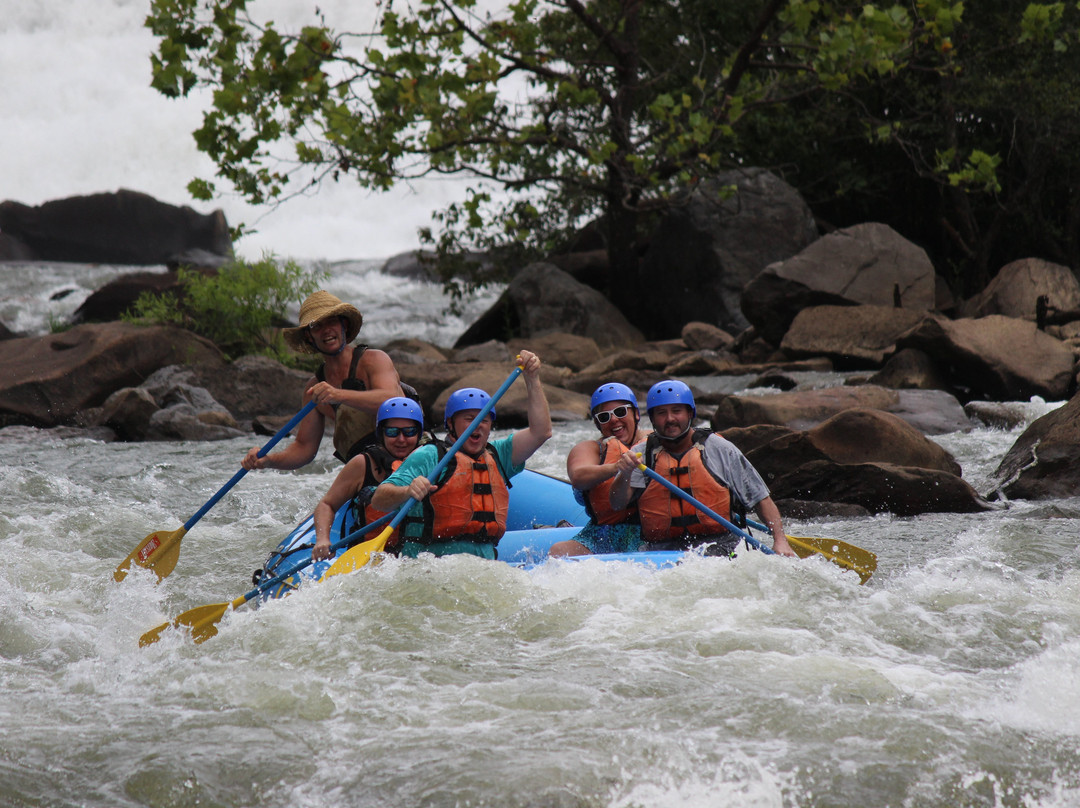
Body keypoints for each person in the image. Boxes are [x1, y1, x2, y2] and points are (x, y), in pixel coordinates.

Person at [369, 350, 552, 559]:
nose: (478, 425)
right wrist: (407, 491)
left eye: (484, 420)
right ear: (449, 424)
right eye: (468, 418)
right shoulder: (430, 455)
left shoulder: (499, 454)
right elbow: (379, 499)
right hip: (430, 562)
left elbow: (541, 432)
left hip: (482, 562)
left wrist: (532, 378)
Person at [609, 379, 796, 557]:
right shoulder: (642, 454)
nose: (670, 419)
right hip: (661, 549)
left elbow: (760, 498)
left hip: (721, 544)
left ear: (690, 413)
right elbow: (617, 504)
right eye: (661, 413)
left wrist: (780, 540)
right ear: (652, 418)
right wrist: (624, 474)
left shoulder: (720, 448)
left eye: (676, 411)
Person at [241, 290, 405, 471]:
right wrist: (269, 461)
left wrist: (338, 395)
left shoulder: (374, 360)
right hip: (369, 471)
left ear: (344, 325)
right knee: (327, 501)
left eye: (332, 321)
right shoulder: (314, 389)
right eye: (316, 325)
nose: (326, 330)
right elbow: (304, 448)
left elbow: (391, 401)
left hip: (409, 458)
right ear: (309, 336)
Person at [310, 396, 426, 562]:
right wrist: (322, 539)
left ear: (419, 433)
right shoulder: (363, 463)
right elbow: (326, 504)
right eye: (392, 432)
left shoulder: (430, 461)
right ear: (381, 433)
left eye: (409, 432)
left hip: (418, 554)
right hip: (373, 556)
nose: (401, 439)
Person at [548, 382, 651, 557]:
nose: (613, 420)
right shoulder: (591, 449)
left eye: (620, 412)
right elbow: (578, 476)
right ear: (597, 424)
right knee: (558, 551)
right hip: (602, 534)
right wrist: (616, 467)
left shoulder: (654, 442)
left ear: (636, 414)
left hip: (647, 532)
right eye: (604, 417)